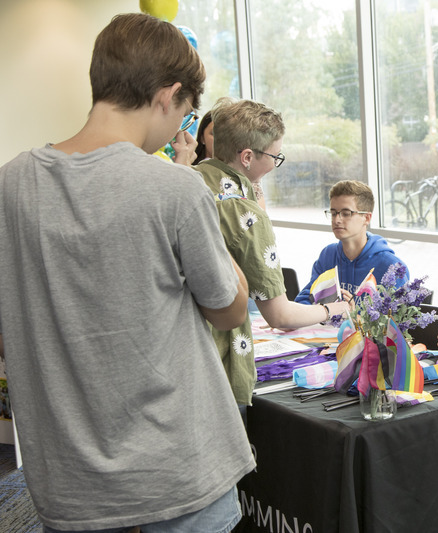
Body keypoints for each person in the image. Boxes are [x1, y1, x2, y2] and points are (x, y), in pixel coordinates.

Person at [0, 13, 255, 533]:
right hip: (178, 473)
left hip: (68, 481)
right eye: (185, 115)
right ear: (170, 94)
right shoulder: (175, 189)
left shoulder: (11, 186)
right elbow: (229, 309)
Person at [194, 99, 352, 407]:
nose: (277, 161)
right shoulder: (243, 212)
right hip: (214, 360)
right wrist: (333, 310)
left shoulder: (188, 180)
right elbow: (280, 315)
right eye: (275, 156)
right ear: (248, 156)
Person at [295, 180, 410, 304]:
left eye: (346, 213)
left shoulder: (392, 267)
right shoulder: (328, 255)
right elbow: (306, 298)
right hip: (326, 324)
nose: (337, 220)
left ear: (366, 218)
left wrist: (355, 318)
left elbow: (396, 321)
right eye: (333, 213)